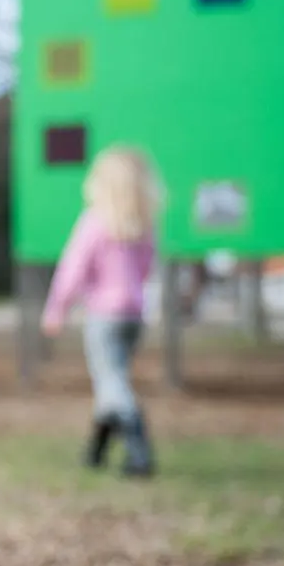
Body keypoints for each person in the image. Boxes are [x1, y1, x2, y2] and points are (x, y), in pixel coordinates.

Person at [41, 145, 163, 478]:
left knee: (111, 381)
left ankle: (139, 451)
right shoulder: (142, 225)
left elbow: (73, 269)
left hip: (105, 316)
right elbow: (147, 268)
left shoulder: (95, 222)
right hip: (134, 315)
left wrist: (56, 308)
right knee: (112, 376)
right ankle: (95, 452)